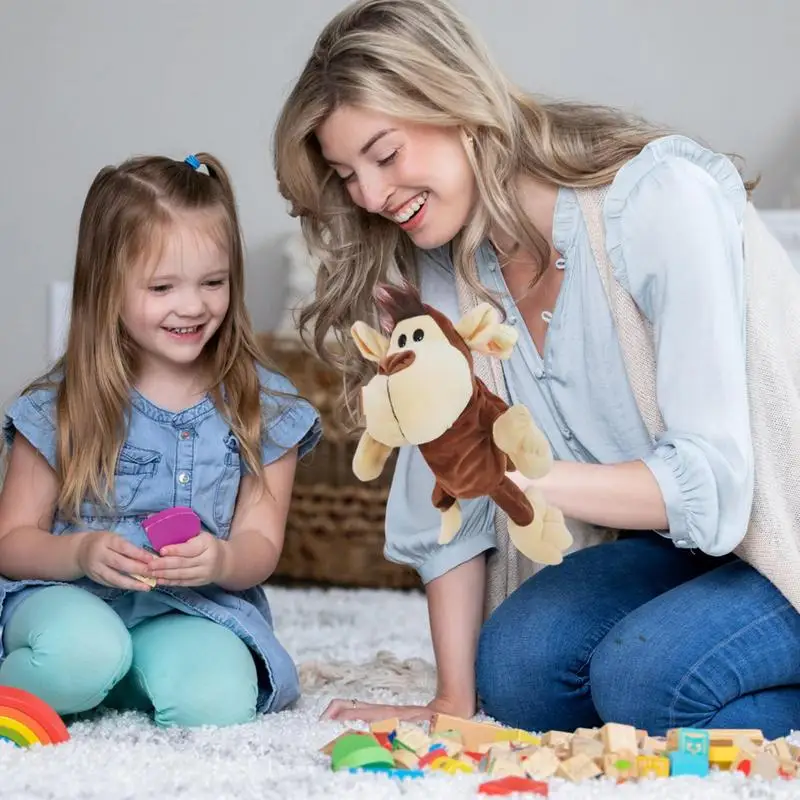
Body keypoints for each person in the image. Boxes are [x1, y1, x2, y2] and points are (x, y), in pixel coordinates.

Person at [272, 0, 800, 740]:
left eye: (385, 155)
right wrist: (453, 703)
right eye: (346, 174)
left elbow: (715, 487)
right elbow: (444, 490)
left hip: (781, 528)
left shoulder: (655, 203)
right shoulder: (447, 265)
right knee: (515, 676)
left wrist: (521, 478)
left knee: (645, 683)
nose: (370, 195)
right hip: (682, 550)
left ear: (456, 98)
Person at [0, 152, 321, 727]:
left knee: (218, 701)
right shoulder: (63, 402)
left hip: (186, 609)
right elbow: (11, 542)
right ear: (106, 287)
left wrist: (221, 558)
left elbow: (259, 547)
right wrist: (78, 552)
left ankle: (111, 684)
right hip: (67, 601)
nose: (193, 306)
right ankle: (80, 674)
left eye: (213, 282)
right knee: (81, 653)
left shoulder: (264, 406)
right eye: (162, 286)